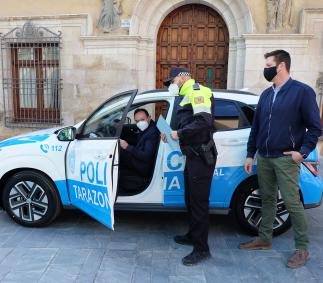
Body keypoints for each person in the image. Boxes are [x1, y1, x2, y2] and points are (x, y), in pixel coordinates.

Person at [239, 50, 322, 269]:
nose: (265, 68)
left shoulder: (302, 92)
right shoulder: (266, 94)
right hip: (264, 158)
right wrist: (250, 153)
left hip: (286, 159)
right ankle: (264, 239)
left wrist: (301, 152)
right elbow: (256, 128)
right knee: (267, 199)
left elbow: (315, 128)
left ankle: (302, 249)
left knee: (292, 203)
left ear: (281, 66)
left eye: (268, 64)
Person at [162, 67, 217, 266]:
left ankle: (202, 249)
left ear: (183, 76)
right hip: (193, 156)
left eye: (172, 80)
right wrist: (171, 132)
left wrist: (179, 134)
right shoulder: (185, 96)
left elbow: (204, 122)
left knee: (199, 204)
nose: (171, 84)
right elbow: (191, 122)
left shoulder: (197, 91)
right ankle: (193, 235)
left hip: (201, 157)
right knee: (190, 200)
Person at [119, 108, 159, 178]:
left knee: (119, 152)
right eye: (137, 121)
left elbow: (146, 156)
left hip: (142, 166)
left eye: (142, 120)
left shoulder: (152, 133)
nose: (140, 123)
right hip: (139, 155)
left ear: (149, 118)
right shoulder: (147, 126)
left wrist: (127, 147)